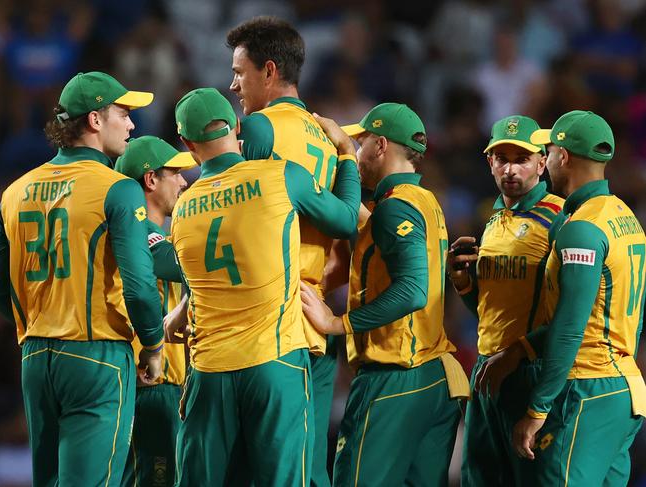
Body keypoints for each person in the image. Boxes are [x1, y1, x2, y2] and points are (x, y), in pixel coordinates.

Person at [168, 87, 361, 487]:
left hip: (209, 371)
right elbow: (345, 221)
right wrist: (345, 154)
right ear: (238, 127)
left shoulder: (182, 209)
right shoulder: (282, 176)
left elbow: (192, 287)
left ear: (188, 145)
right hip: (275, 360)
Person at [0, 71, 165, 487]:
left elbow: (1, 283)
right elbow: (141, 285)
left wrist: (33, 319)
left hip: (35, 357)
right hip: (96, 355)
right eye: (123, 113)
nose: (131, 124)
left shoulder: (14, 191)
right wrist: (154, 345)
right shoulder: (118, 188)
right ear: (94, 120)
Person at [301, 102, 470, 487]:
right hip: (434, 377)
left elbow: (412, 290)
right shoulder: (423, 200)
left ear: (380, 145)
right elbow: (374, 227)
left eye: (360, 143)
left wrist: (336, 322)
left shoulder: (395, 209)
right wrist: (344, 152)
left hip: (394, 378)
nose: (357, 153)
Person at [226, 16, 344, 486]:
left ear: (269, 71)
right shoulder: (328, 139)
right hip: (313, 318)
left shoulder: (257, 129)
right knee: (308, 470)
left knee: (251, 469)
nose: (233, 83)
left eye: (240, 72)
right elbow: (343, 230)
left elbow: (237, 222)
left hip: (262, 324)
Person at [511, 111, 646, 485]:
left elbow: (570, 328)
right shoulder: (624, 216)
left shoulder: (582, 229)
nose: (547, 159)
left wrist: (537, 410)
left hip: (586, 388)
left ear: (564, 156)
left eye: (549, 150)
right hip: (624, 390)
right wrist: (520, 349)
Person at [447, 115, 564, 486]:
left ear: (542, 163)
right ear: (489, 163)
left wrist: (518, 354)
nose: (510, 169)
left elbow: (571, 312)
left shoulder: (559, 218)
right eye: (502, 158)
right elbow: (490, 308)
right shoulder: (494, 217)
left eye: (521, 158)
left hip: (528, 371)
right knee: (479, 478)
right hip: (487, 365)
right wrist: (463, 284)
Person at [115, 135, 195, 487]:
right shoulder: (140, 234)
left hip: (167, 385)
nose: (183, 181)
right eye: (175, 173)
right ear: (150, 179)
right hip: (150, 384)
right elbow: (191, 264)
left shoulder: (160, 235)